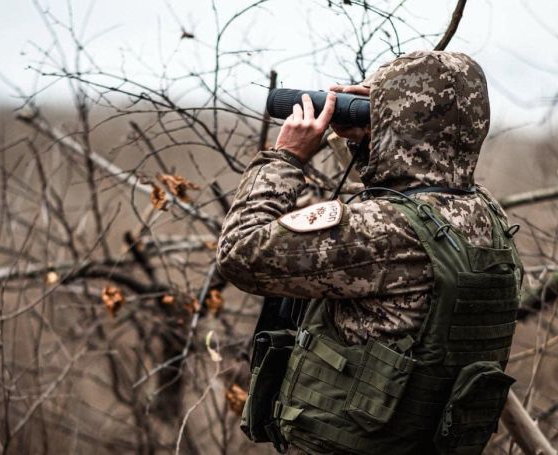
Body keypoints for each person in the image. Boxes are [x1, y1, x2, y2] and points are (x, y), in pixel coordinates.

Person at [217, 50, 522, 454]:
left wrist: (285, 158)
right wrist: (370, 137)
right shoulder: (483, 212)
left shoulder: (386, 231)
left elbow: (239, 252)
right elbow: (409, 185)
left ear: (398, 122)